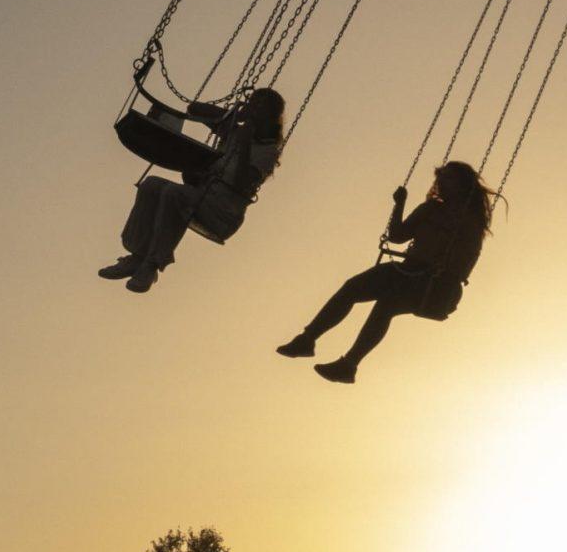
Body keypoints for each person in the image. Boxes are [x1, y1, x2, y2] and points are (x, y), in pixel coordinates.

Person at [277, 161, 491, 383]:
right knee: (352, 287)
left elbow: (465, 262)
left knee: (387, 305)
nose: (442, 183)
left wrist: (443, 266)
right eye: (441, 178)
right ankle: (307, 339)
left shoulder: (471, 222)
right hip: (408, 272)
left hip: (436, 286)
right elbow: (397, 236)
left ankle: (348, 364)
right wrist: (400, 204)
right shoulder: (430, 209)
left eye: (449, 178)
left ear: (463, 185)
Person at [100, 87, 286, 292]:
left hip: (222, 212)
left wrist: (244, 144)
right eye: (251, 102)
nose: (252, 108)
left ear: (269, 117)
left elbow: (242, 183)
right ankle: (137, 257)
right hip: (202, 198)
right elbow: (195, 109)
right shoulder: (234, 130)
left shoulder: (268, 152)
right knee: (151, 185)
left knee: (174, 194)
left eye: (258, 106)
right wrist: (234, 115)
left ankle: (152, 265)